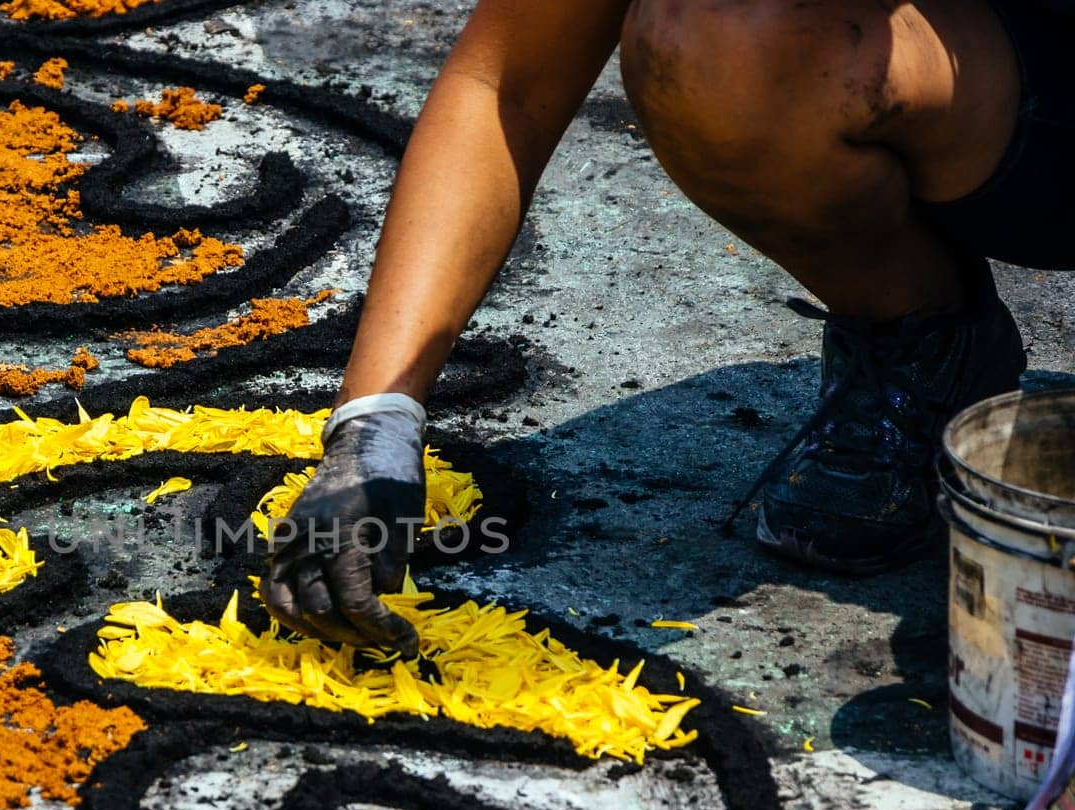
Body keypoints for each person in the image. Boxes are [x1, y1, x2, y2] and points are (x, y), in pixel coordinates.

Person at [263, 0, 1072, 656]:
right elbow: (504, 85)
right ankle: (926, 337)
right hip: (993, 104)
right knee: (721, 40)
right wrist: (377, 425)